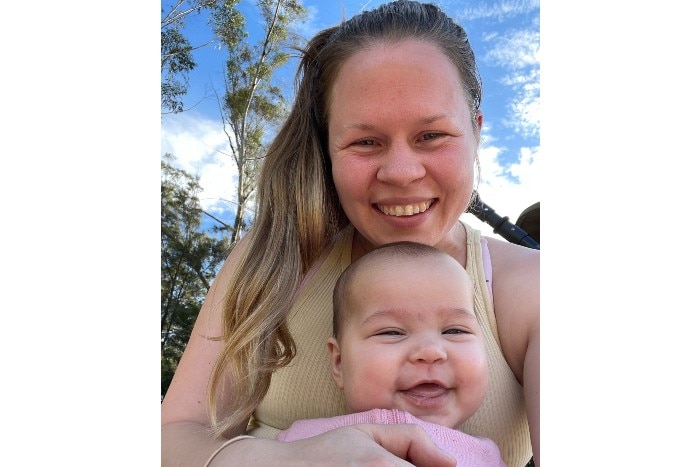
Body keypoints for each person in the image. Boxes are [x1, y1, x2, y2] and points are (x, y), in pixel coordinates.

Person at [161, 1, 539, 466]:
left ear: (476, 133)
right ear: (329, 150)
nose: (401, 172)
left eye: (432, 136)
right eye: (365, 142)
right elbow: (173, 434)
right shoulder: (275, 260)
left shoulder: (532, 287)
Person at [276, 241, 507, 467]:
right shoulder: (300, 444)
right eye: (391, 332)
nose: (430, 352)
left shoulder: (487, 457)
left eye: (455, 330)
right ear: (339, 362)